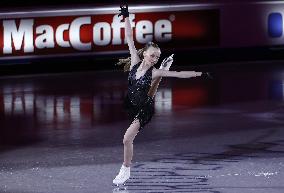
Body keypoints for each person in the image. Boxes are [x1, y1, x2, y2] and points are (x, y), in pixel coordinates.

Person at [113, 4, 202, 186]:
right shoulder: (136, 62)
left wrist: (199, 73)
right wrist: (127, 16)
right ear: (145, 54)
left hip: (144, 108)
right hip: (134, 101)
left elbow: (179, 75)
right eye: (153, 56)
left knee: (127, 138)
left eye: (157, 57)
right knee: (152, 84)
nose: (154, 58)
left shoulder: (152, 70)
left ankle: (125, 170)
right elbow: (129, 37)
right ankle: (163, 70)